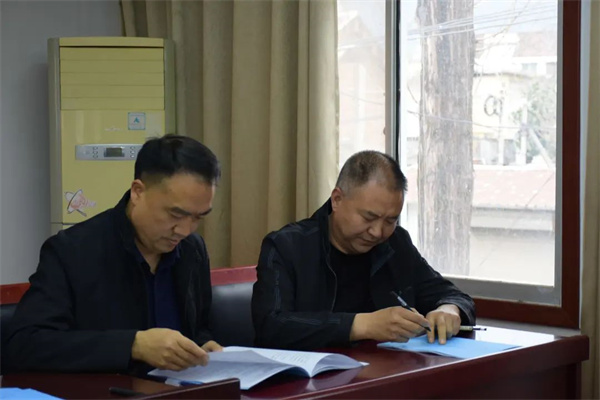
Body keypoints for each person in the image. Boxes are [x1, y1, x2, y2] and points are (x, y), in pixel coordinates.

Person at [6, 134, 222, 374]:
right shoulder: (72, 251)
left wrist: (202, 346)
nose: (184, 230)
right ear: (138, 192)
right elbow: (25, 344)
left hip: (181, 388)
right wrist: (132, 345)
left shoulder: (192, 249)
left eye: (198, 217)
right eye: (175, 214)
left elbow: (198, 327)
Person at [252, 150, 475, 350]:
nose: (377, 232)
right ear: (337, 199)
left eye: (390, 220)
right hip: (311, 379)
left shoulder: (395, 243)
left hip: (386, 374)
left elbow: (452, 295)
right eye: (369, 217)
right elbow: (271, 326)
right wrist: (362, 325)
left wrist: (449, 310)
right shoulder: (286, 246)